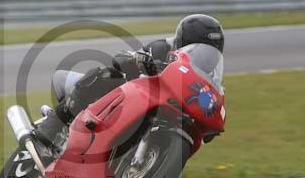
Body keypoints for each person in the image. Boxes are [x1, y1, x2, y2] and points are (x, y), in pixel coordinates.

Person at [36, 14, 225, 146]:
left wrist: (212, 120)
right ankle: (53, 124)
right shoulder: (162, 48)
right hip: (122, 101)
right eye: (200, 48)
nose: (207, 56)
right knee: (106, 75)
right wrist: (140, 61)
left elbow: (210, 122)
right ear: (185, 43)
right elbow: (120, 61)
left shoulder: (208, 80)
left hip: (154, 115)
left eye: (212, 50)